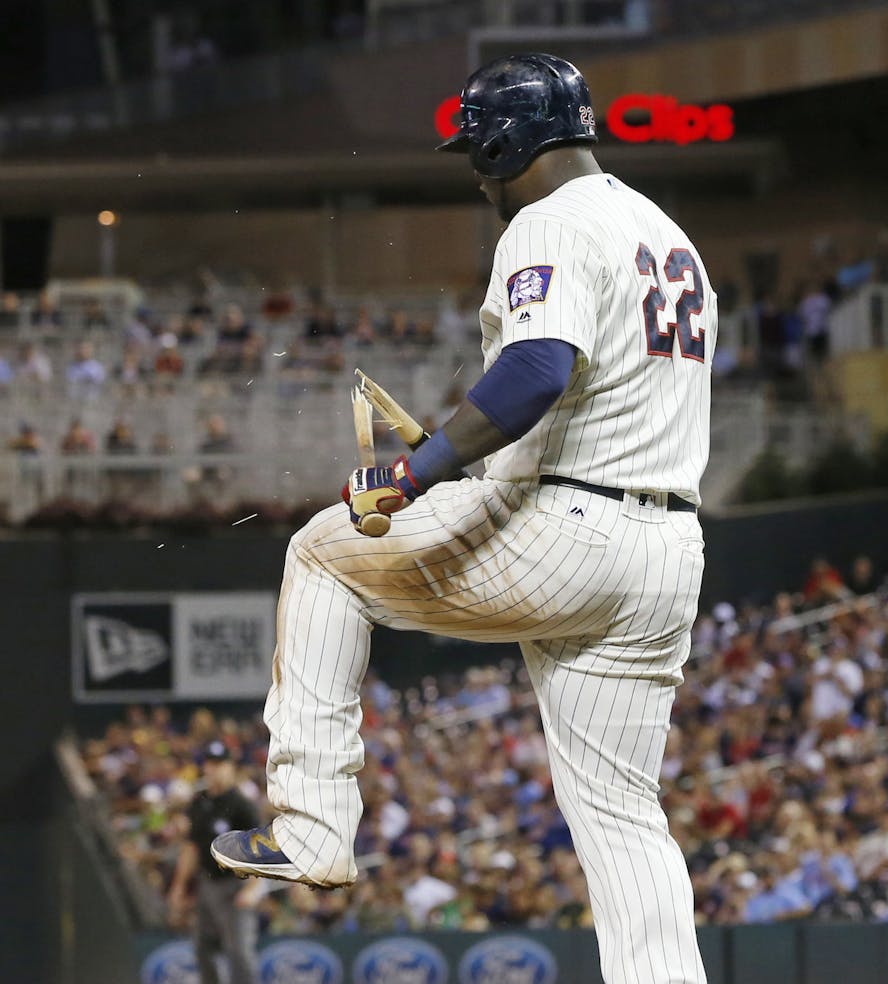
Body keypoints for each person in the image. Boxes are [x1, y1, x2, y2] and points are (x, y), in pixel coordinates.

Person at [210, 53, 714, 984]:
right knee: (621, 814)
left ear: (506, 143)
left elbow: (537, 372)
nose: (475, 170)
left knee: (321, 555)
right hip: (667, 549)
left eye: (477, 150)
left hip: (575, 529)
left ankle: (315, 828)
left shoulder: (548, 223)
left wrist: (416, 472)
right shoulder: (663, 232)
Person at [168, 741, 261, 984]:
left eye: (220, 764)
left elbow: (258, 849)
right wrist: (179, 886)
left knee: (239, 952)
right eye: (210, 764)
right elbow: (191, 847)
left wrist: (253, 887)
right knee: (202, 948)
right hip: (207, 885)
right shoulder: (199, 804)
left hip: (236, 886)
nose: (214, 769)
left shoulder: (242, 806)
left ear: (230, 768)